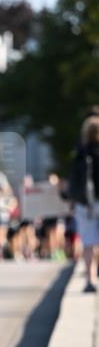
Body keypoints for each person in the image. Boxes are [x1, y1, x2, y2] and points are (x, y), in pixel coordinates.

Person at [68, 115, 99, 291]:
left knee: (88, 242)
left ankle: (90, 279)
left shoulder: (80, 153)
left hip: (85, 203)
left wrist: (73, 200)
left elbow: (74, 180)